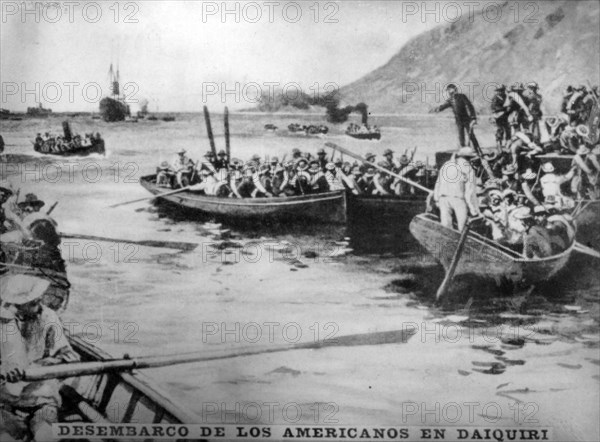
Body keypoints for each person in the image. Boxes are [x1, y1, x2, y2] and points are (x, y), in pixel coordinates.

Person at [0, 274, 80, 442]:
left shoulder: (48, 316)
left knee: (46, 438)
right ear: (17, 306)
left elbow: (68, 355)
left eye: (38, 299)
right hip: (6, 403)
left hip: (42, 400)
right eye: (33, 302)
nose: (40, 304)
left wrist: (46, 363)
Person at [433, 147, 480, 230]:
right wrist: (474, 211)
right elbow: (470, 193)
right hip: (458, 199)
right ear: (469, 158)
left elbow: (438, 183)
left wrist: (436, 199)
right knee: (463, 227)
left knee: (446, 226)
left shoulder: (446, 164)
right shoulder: (468, 168)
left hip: (443, 198)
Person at [431, 83, 479, 149]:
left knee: (471, 135)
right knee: (461, 136)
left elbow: (469, 106)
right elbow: (443, 106)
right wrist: (437, 109)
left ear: (454, 89)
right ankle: (463, 150)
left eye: (450, 89)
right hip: (459, 121)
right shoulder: (450, 100)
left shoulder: (462, 96)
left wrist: (473, 117)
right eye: (448, 90)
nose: (448, 91)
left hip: (466, 119)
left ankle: (477, 149)